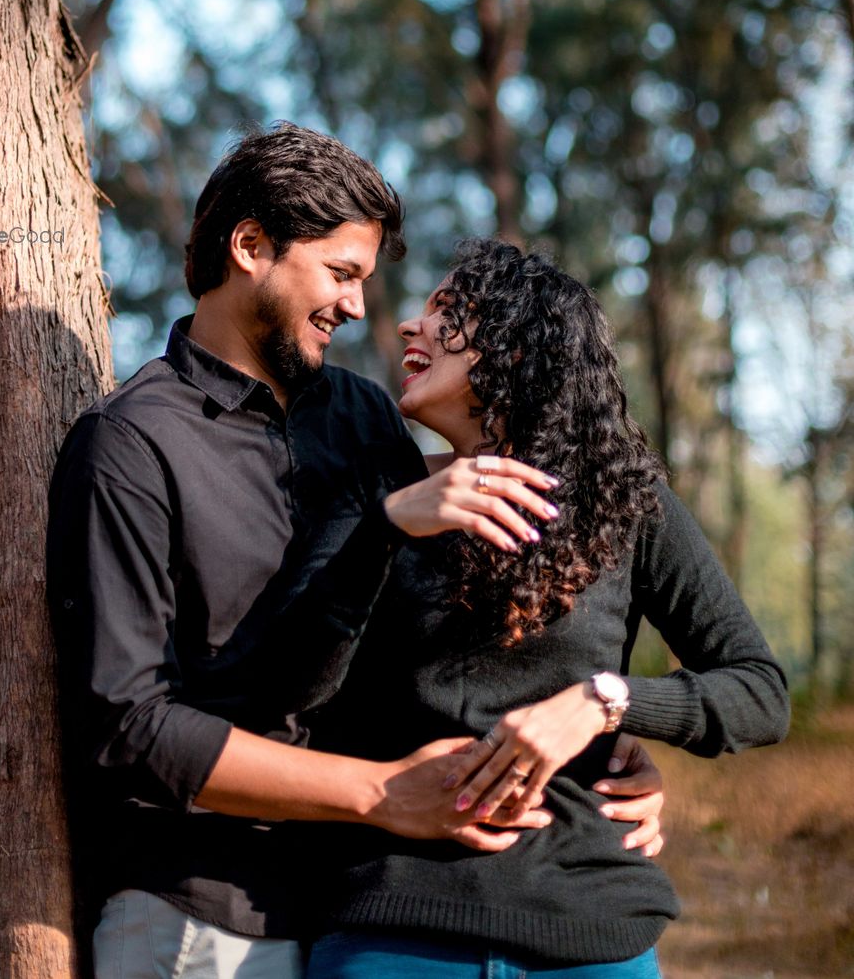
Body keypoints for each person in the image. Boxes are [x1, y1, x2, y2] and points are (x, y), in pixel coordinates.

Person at [46, 126, 663, 979]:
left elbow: (423, 648)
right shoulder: (130, 444)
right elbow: (129, 726)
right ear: (251, 246)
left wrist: (592, 750)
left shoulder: (366, 418)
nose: (359, 308)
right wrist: (378, 795)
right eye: (341, 274)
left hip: (360, 912)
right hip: (203, 919)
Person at [298, 237, 790, 979]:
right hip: (392, 932)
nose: (409, 326)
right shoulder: (374, 500)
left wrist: (607, 704)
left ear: (517, 353)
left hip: (593, 934)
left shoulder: (626, 506)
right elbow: (294, 694)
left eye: (448, 313)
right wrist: (388, 529)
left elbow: (759, 690)